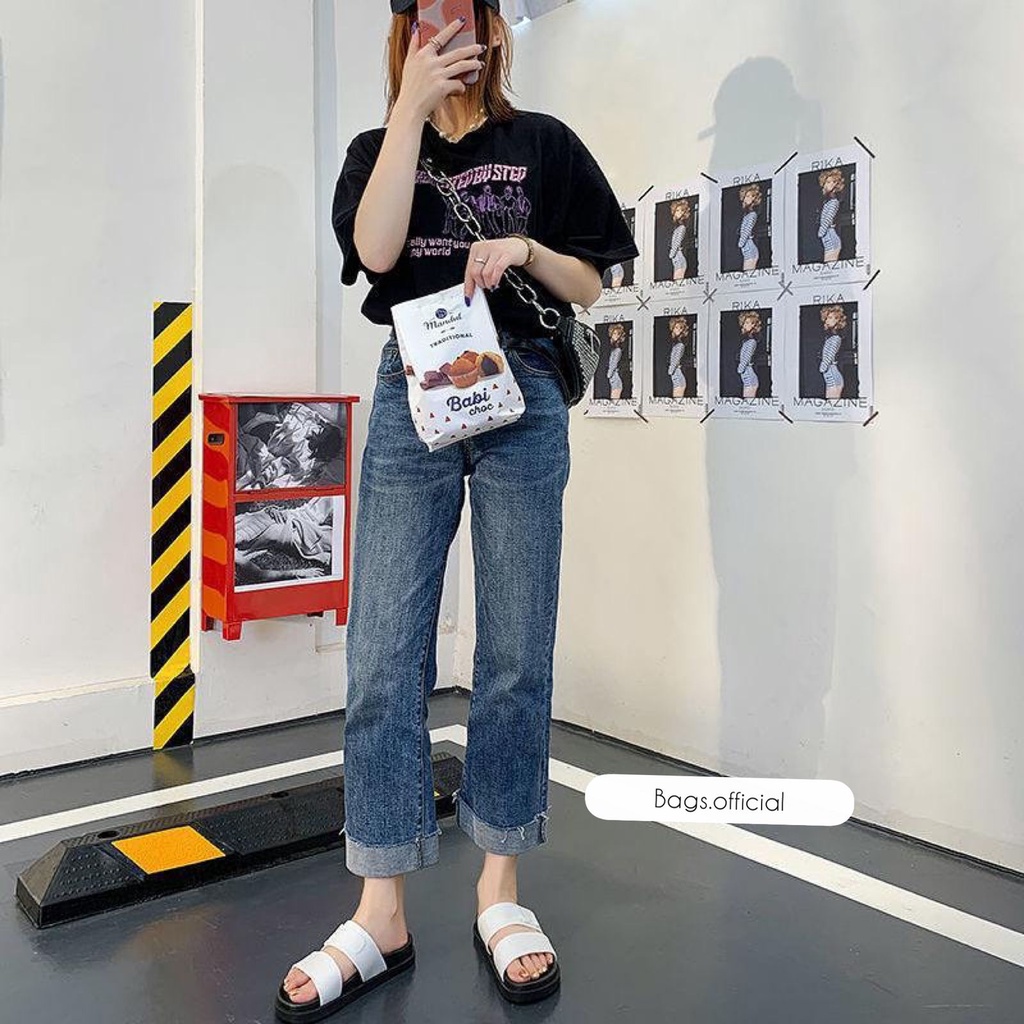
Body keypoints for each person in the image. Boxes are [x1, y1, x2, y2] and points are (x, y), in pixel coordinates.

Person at [275, 2, 638, 1018]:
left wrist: (523, 247)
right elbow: (376, 249)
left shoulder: (543, 143)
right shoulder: (375, 148)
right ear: (402, 39)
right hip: (414, 387)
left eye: (460, 17)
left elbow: (590, 284)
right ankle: (380, 907)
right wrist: (407, 112)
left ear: (491, 30)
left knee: (515, 647)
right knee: (383, 650)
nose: (445, 37)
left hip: (522, 389)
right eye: (423, 22)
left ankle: (499, 889)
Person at [819, 304, 847, 399]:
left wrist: (822, 367)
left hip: (832, 375)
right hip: (830, 374)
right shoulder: (830, 337)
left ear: (838, 320)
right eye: (827, 318)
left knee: (832, 402)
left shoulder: (836, 338)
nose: (827, 320)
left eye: (831, 318)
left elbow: (830, 355)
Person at [817, 168, 845, 263]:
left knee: (829, 264)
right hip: (827, 236)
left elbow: (828, 219)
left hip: (830, 237)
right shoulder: (827, 201)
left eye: (833, 182)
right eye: (828, 182)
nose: (831, 184)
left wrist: (821, 232)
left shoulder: (834, 202)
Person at [737, 183, 762, 271]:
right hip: (746, 248)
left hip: (750, 249)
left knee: (748, 273)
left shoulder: (752, 214)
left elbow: (747, 231)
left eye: (749, 196)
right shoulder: (747, 214)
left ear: (754, 198)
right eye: (745, 196)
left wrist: (740, 243)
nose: (746, 199)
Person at [737, 311, 762, 398]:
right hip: (746, 376)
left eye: (748, 323)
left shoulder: (752, 342)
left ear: (753, 325)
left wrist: (740, 369)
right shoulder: (746, 341)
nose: (745, 325)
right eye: (745, 323)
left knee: (748, 402)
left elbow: (746, 358)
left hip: (750, 377)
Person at [668, 199, 691, 281]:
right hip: (676, 258)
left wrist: (671, 254)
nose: (680, 212)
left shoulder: (682, 228)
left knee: (678, 281)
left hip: (678, 257)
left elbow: (677, 242)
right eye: (677, 210)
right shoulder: (678, 227)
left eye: (682, 210)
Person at [667, 316, 690, 399]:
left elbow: (676, 359)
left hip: (677, 376)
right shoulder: (676, 344)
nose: (678, 330)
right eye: (676, 327)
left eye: (681, 328)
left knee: (677, 401)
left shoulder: (680, 345)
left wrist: (670, 370)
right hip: (675, 375)